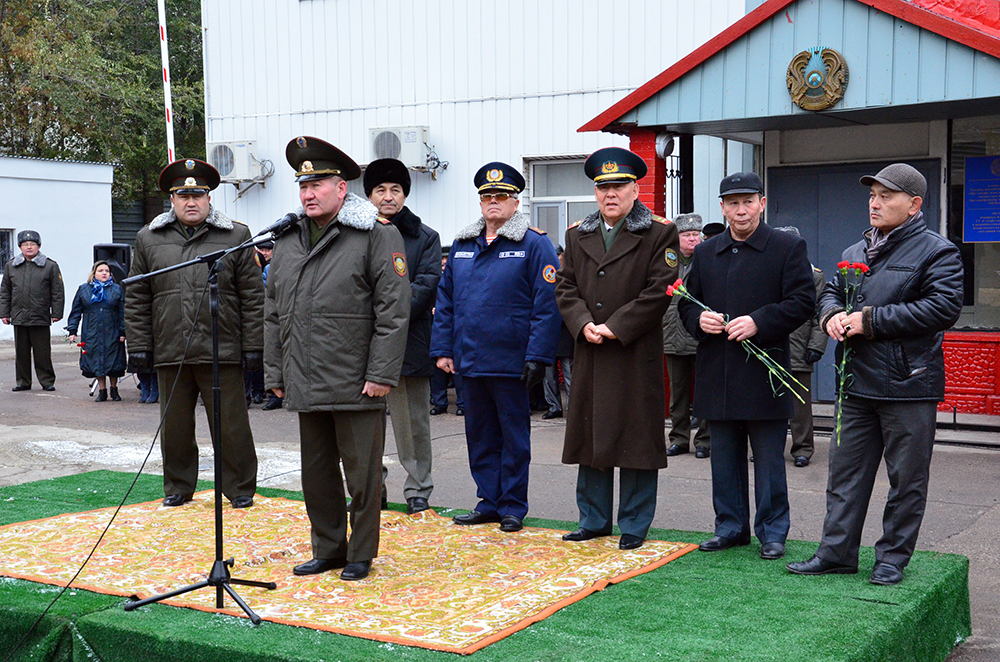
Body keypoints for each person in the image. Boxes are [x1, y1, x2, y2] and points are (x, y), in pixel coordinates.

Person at [787, 163, 963, 585]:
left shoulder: (938, 251)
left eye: (886, 196)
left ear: (914, 204)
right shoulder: (854, 252)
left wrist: (869, 320)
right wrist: (830, 314)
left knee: (906, 481)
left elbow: (943, 308)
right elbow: (830, 290)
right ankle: (837, 553)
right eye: (872, 196)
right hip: (856, 385)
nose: (875, 203)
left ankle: (890, 560)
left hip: (908, 385)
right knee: (845, 476)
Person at [264, 136, 410, 581]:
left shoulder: (375, 233)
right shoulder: (286, 239)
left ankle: (361, 552)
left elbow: (394, 309)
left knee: (363, 476)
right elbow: (273, 311)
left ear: (342, 187)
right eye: (303, 186)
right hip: (304, 375)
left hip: (357, 378)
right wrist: (276, 369)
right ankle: (328, 548)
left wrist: (382, 372)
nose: (308, 194)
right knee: (317, 474)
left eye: (318, 184)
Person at [678, 172, 814, 561]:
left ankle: (772, 532)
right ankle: (730, 527)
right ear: (722, 207)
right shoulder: (706, 252)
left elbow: (803, 301)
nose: (740, 210)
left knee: (769, 460)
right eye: (732, 203)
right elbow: (688, 301)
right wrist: (696, 321)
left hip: (764, 374)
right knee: (723, 458)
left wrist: (760, 321)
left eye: (748, 201)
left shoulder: (786, 246)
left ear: (762, 203)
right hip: (717, 372)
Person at [556, 147, 678, 550]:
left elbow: (660, 290)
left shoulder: (660, 232)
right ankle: (593, 519)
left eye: (619, 187)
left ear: (635, 189)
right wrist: (583, 323)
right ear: (595, 192)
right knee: (591, 435)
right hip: (590, 347)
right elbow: (565, 287)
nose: (611, 194)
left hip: (632, 351)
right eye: (603, 187)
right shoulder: (577, 234)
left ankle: (634, 523)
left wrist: (615, 326)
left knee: (637, 437)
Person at [430, 161, 560, 533]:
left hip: (512, 362)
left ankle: (513, 506)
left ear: (516, 202)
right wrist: (443, 350)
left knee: (513, 438)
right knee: (481, 436)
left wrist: (537, 356)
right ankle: (488, 501)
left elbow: (546, 304)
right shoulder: (463, 245)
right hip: (470, 360)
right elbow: (447, 301)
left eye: (501, 197)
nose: (493, 203)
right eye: (487, 197)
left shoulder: (533, 244)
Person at [125, 158, 263, 510]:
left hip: (222, 347)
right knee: (174, 427)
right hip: (171, 346)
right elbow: (138, 296)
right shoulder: (148, 238)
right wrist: (139, 346)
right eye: (183, 195)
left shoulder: (235, 235)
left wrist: (254, 346)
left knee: (231, 426)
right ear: (171, 200)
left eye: (198, 195)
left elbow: (252, 295)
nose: (191, 202)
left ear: (209, 198)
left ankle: (240, 487)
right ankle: (178, 486)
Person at [364, 158, 442, 515]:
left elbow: (425, 285)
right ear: (369, 195)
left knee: (412, 425)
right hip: (362, 346)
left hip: (409, 343)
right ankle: (371, 487)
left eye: (395, 190)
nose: (388, 196)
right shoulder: (357, 233)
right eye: (380, 190)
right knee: (365, 424)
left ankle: (417, 488)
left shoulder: (424, 237)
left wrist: (385, 312)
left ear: (405, 195)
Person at [774, 226, 827, 467]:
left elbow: (820, 314)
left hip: (799, 345)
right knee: (769, 402)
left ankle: (802, 448)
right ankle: (769, 447)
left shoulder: (813, 276)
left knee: (800, 404)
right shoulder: (766, 272)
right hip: (770, 345)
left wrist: (817, 345)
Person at [663, 213, 711, 459]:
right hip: (672, 333)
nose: (693, 239)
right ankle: (679, 439)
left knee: (704, 391)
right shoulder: (666, 261)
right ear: (677, 237)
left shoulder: (708, 258)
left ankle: (704, 440)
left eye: (696, 235)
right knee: (678, 392)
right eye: (687, 235)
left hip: (700, 333)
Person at [1, 230, 64, 392]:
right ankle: (23, 381)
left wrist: (57, 313)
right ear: (20, 247)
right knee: (21, 353)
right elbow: (5, 291)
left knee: (42, 352)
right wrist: (4, 313)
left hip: (40, 315)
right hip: (19, 315)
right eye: (25, 244)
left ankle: (47, 381)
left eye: (32, 244)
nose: (29, 247)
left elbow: (57, 292)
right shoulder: (11, 265)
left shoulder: (50, 265)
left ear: (39, 246)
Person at [66, 261, 127, 402]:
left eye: (107, 270)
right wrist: (72, 330)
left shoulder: (117, 289)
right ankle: (102, 390)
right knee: (96, 360)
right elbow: (76, 312)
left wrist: (123, 332)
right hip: (92, 331)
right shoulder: (84, 289)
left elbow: (122, 312)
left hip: (112, 331)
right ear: (94, 273)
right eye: (100, 270)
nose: (104, 273)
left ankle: (114, 389)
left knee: (113, 360)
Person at [542, 245, 574, 420]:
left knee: (569, 372)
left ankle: (572, 407)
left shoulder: (568, 273)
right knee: (549, 374)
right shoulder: (543, 273)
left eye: (557, 255)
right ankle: (554, 406)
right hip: (548, 330)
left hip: (566, 330)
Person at [243, 241, 272, 407]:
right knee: (246, 365)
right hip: (247, 320)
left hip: (260, 316)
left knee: (258, 360)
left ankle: (259, 392)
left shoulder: (262, 265)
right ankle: (247, 396)